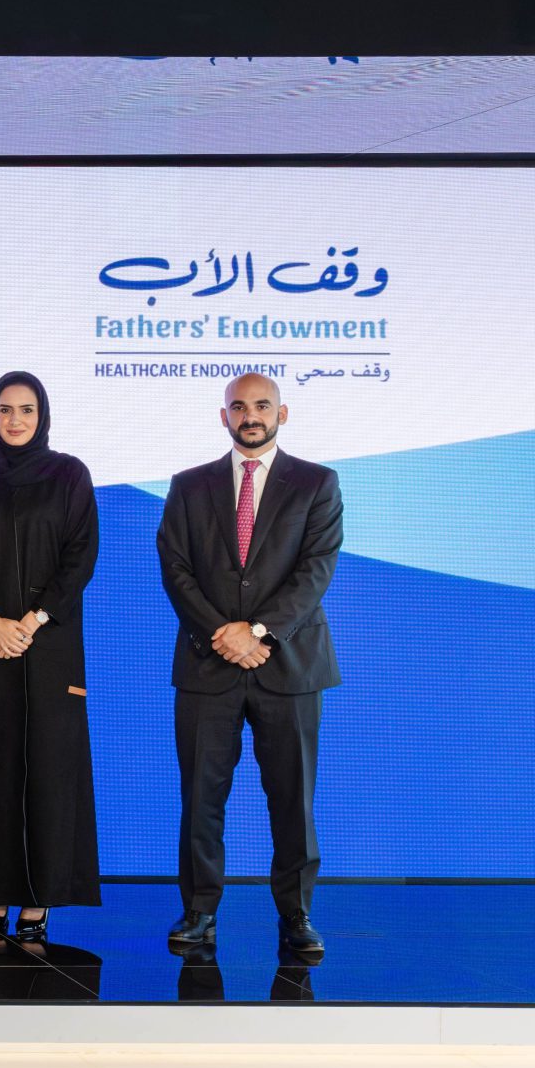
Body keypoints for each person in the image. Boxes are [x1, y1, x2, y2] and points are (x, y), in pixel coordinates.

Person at [156, 372, 341, 961]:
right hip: (207, 665)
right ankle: (199, 911)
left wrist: (257, 631)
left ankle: (296, 914)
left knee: (293, 799)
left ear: (282, 414)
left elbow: (315, 569)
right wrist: (224, 634)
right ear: (224, 416)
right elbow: (175, 568)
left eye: (262, 406)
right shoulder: (189, 486)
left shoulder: (316, 483)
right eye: (239, 407)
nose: (250, 416)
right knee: (201, 799)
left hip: (289, 665)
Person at [0, 372, 100, 944]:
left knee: (49, 771)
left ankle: (38, 900)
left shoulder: (69, 475)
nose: (15, 420)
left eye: (26, 409)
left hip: (49, 647)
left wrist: (31, 622)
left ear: (42, 415)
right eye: (5, 410)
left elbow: (80, 558)